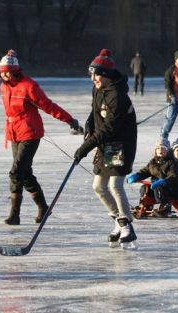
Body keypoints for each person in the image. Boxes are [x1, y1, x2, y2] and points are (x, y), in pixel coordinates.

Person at [0, 49, 83, 225]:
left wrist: (69, 120)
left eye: (8, 71)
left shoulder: (29, 86)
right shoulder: (4, 86)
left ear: (15, 70)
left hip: (30, 133)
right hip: (14, 132)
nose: (5, 75)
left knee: (16, 172)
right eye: (2, 72)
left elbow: (48, 106)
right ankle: (44, 208)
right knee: (25, 173)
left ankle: (14, 216)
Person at [74, 48, 138, 249]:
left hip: (119, 145)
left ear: (107, 75)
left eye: (96, 74)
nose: (93, 78)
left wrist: (86, 146)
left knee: (114, 185)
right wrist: (89, 127)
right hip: (103, 143)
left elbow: (110, 128)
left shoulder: (117, 95)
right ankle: (119, 222)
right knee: (98, 187)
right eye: (91, 73)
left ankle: (127, 226)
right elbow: (95, 112)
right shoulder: (98, 89)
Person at [127, 139, 178, 217]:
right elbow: (145, 171)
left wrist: (164, 181)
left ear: (167, 150)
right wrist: (136, 176)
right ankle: (145, 205)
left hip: (168, 188)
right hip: (154, 186)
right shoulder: (153, 162)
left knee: (159, 188)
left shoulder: (172, 162)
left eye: (163, 148)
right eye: (158, 148)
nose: (160, 150)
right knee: (144, 188)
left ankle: (165, 206)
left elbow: (173, 176)